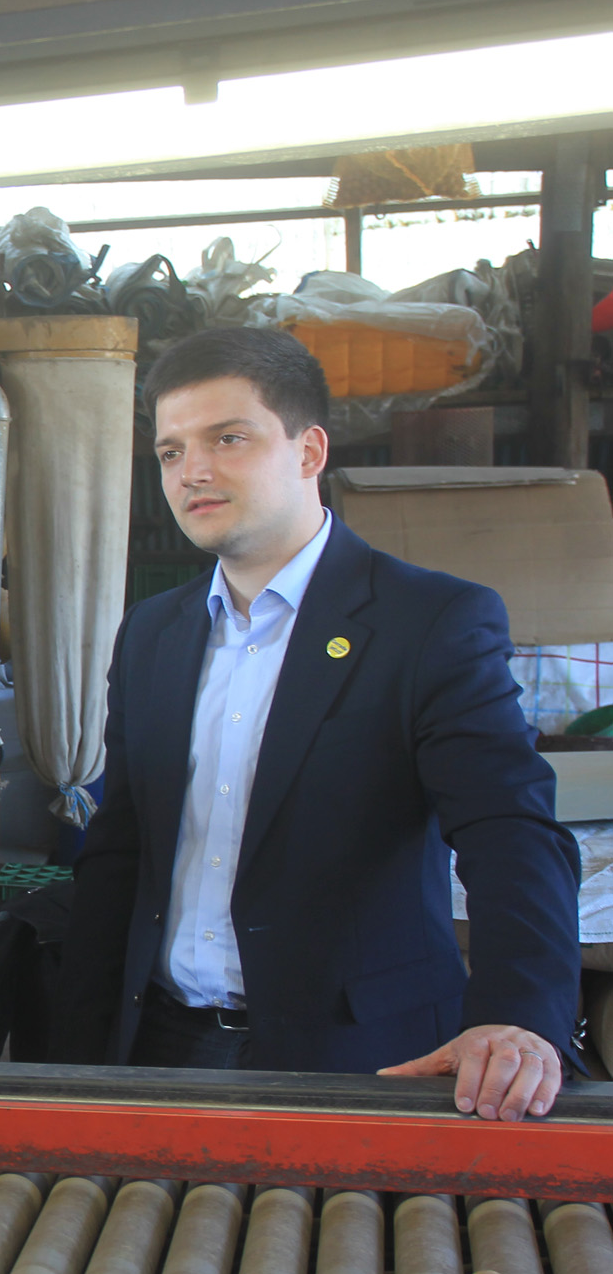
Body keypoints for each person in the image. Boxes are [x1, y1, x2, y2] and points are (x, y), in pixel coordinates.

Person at [58, 326, 581, 1120]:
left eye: (228, 438)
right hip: (159, 1046)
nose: (193, 470)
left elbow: (511, 830)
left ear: (309, 452)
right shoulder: (153, 634)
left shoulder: (427, 621)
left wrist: (518, 1016)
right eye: (170, 451)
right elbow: (121, 850)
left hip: (356, 1061)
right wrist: (72, 1042)